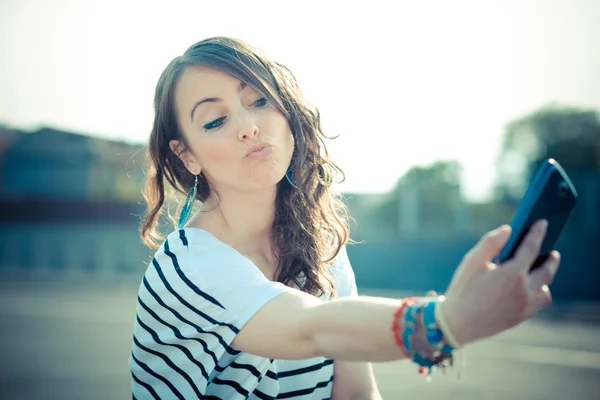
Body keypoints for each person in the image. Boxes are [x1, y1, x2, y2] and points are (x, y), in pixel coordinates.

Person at [128, 36, 561, 400]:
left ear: (287, 113)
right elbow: (308, 329)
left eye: (258, 100)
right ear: (186, 155)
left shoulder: (319, 246)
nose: (248, 126)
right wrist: (445, 321)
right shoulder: (188, 265)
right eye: (216, 119)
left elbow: (355, 392)